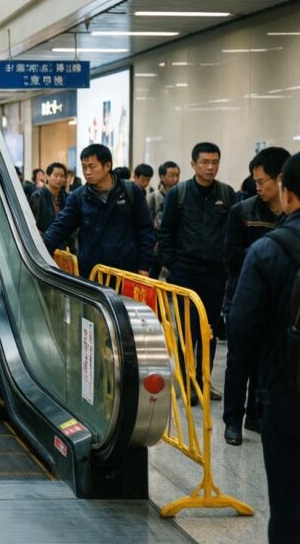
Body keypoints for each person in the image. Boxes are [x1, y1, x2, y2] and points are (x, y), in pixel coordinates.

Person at [229, 151, 300, 543]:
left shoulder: (269, 250)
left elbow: (241, 329)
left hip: (286, 393)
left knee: (288, 502)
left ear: (287, 195)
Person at [159, 142, 236, 401]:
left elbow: (231, 232)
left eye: (214, 162)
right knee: (187, 332)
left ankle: (204, 382)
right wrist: (171, 264)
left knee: (209, 332)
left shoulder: (226, 194)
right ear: (193, 164)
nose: (210, 167)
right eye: (204, 162)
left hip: (215, 275)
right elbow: (166, 231)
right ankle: (186, 382)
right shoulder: (178, 194)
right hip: (185, 274)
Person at [222, 147, 289, 445]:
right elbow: (231, 256)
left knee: (266, 362)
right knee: (238, 363)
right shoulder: (242, 211)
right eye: (255, 182)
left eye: (263, 182)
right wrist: (268, 255)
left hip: (278, 303)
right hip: (243, 298)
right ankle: (232, 421)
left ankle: (255, 416)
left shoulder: (291, 213)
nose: (258, 187)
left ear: (281, 179)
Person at [44, 144, 154, 278]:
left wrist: (144, 266)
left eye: (92, 166)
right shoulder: (79, 197)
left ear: (107, 166)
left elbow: (145, 229)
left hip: (126, 272)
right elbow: (60, 228)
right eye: (84, 167)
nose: (87, 172)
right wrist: (39, 251)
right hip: (92, 273)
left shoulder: (130, 191)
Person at [147, 161, 180, 278]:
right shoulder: (153, 197)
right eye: (171, 175)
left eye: (177, 175)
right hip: (156, 248)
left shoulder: (181, 196)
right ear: (162, 177)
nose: (175, 179)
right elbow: (147, 224)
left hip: (175, 247)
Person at [29, 162, 68, 236]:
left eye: (62, 176)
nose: (59, 179)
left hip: (63, 242)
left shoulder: (66, 196)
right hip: (44, 242)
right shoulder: (38, 196)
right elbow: (32, 225)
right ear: (47, 176)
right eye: (56, 176)